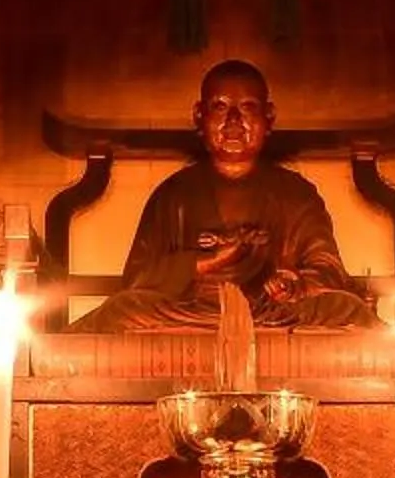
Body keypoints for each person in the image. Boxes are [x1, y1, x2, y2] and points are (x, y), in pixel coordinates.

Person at [75, 61, 376, 331]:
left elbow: (328, 268)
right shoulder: (174, 193)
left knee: (347, 309)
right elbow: (137, 278)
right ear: (199, 116)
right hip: (192, 314)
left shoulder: (295, 193)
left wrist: (294, 284)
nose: (233, 121)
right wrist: (207, 262)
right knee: (122, 309)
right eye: (220, 107)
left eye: (247, 107)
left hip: (271, 313)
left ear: (268, 117)